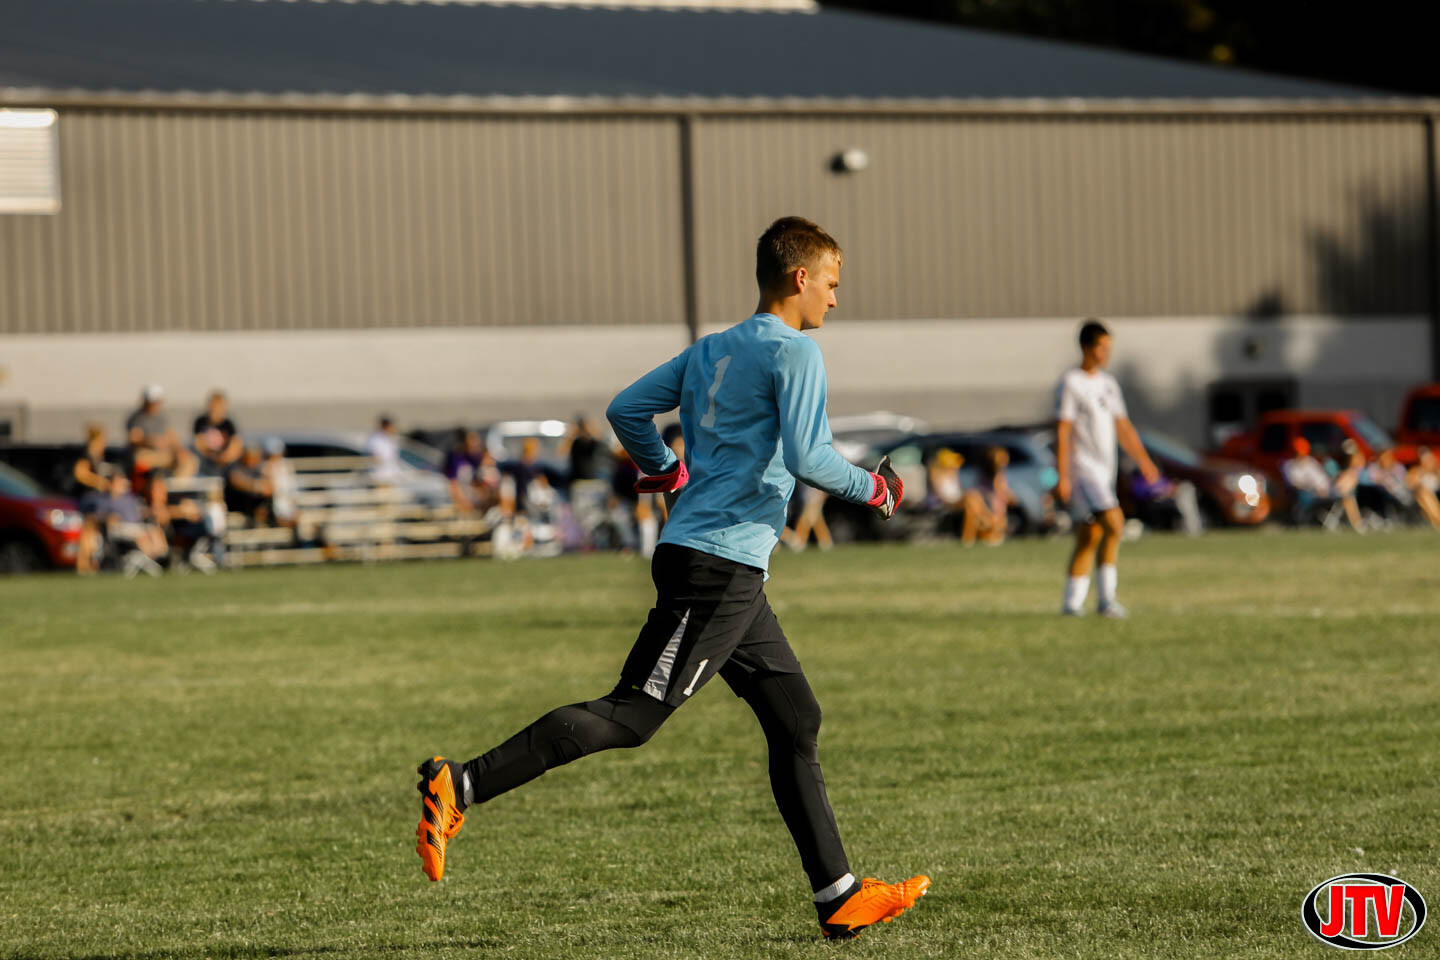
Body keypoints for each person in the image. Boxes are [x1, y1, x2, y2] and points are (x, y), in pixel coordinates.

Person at [414, 216, 928, 940]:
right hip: (718, 569)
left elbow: (626, 410)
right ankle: (461, 783)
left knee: (795, 718)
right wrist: (877, 491)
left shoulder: (712, 349)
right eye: (833, 284)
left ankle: (837, 896)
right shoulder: (797, 352)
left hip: (724, 565)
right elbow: (810, 457)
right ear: (801, 278)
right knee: (631, 716)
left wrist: (665, 469)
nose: (836, 299)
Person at [1055, 319, 1160, 617]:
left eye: (1108, 347)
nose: (1106, 353)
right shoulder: (1071, 382)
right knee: (1115, 523)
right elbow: (1063, 430)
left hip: (1105, 471)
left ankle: (1072, 604)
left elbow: (1122, 426)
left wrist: (1144, 460)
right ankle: (1106, 600)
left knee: (1090, 535)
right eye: (1101, 347)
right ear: (1086, 347)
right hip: (1083, 470)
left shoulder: (1108, 384)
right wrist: (1063, 476)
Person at [960, 446, 1016, 547]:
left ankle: (989, 527)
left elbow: (1004, 493)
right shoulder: (986, 474)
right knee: (972, 500)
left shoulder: (999, 474)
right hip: (986, 506)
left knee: (973, 501)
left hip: (993, 508)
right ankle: (975, 534)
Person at [192, 390, 243, 476]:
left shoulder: (228, 424)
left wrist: (225, 458)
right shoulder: (201, 422)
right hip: (206, 461)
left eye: (218, 405)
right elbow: (199, 445)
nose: (215, 409)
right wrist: (215, 457)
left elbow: (236, 446)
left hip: (225, 462)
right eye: (213, 405)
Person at [1406, 447, 1440, 531]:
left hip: (1436, 494)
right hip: (1422, 496)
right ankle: (1437, 520)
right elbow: (1410, 486)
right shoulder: (1416, 471)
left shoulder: (1437, 471)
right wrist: (1421, 475)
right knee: (1423, 493)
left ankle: (1436, 520)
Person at [366, 415, 403, 484]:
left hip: (391, 475)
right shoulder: (375, 439)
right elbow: (373, 457)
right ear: (386, 427)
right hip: (380, 476)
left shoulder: (391, 439)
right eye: (391, 426)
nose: (393, 429)